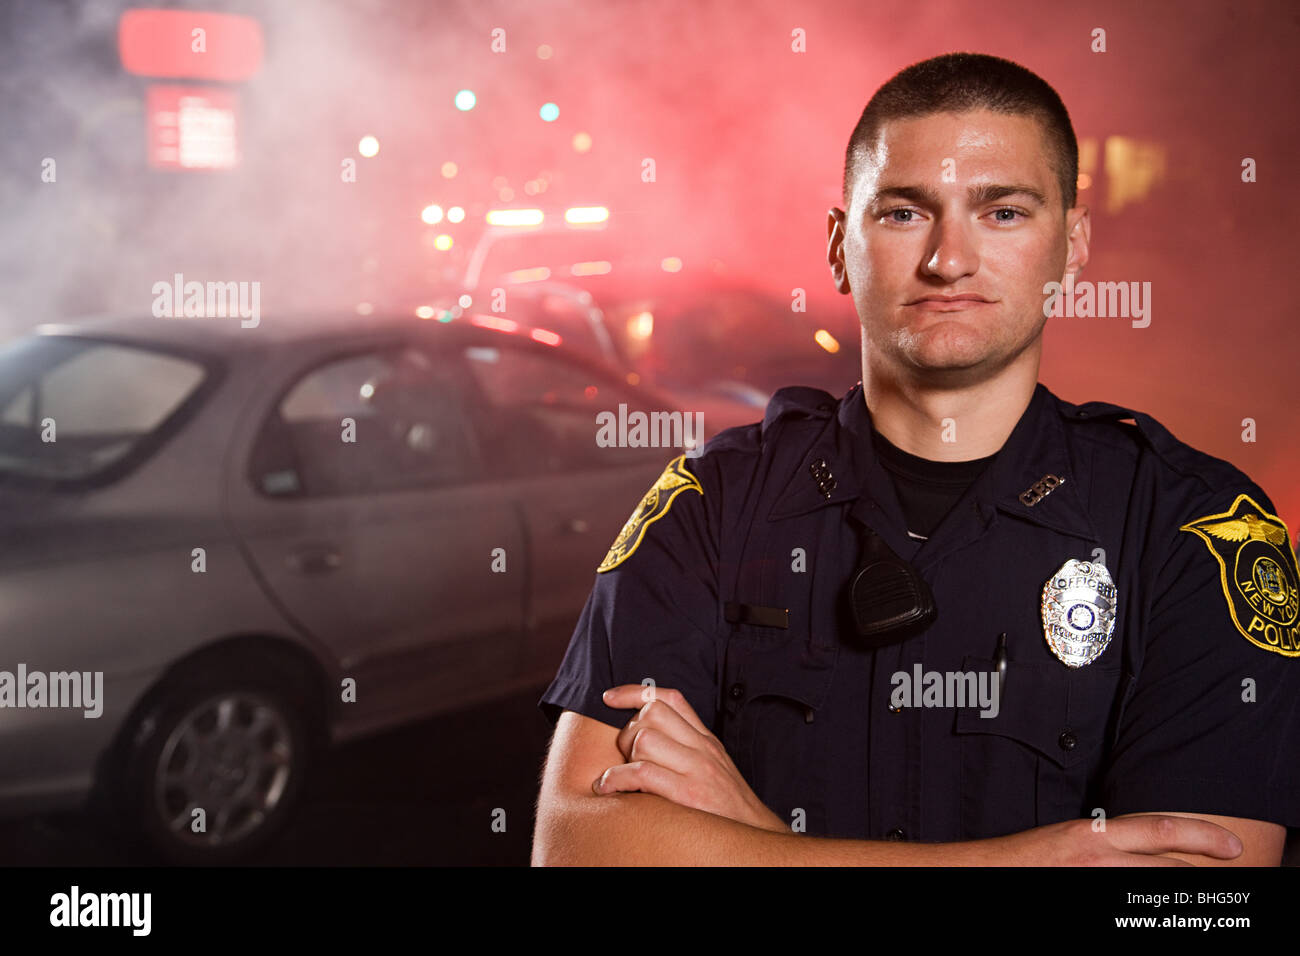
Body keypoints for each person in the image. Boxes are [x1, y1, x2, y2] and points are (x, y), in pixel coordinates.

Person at [531, 52, 1300, 865]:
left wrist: (748, 835)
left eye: (1002, 213)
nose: (948, 260)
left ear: (1072, 247)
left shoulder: (1193, 528)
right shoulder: (712, 502)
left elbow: (1192, 911)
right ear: (837, 246)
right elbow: (578, 846)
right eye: (903, 213)